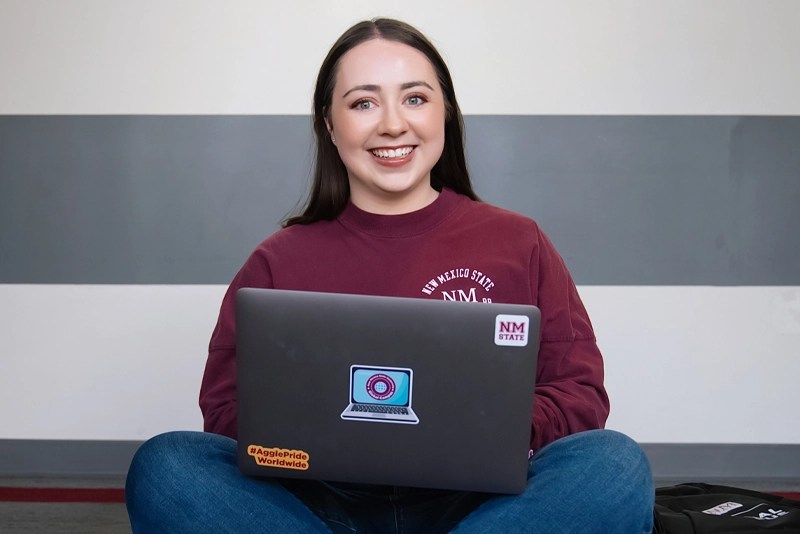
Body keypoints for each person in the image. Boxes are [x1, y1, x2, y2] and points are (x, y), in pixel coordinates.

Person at [125, 18, 654, 533]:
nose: (393, 124)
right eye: (363, 103)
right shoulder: (277, 260)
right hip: (319, 504)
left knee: (614, 464)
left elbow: (579, 392)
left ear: (445, 112)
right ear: (330, 126)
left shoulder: (519, 242)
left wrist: (489, 429)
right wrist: (324, 434)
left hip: (480, 506)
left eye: (416, 98)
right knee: (167, 464)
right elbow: (226, 411)